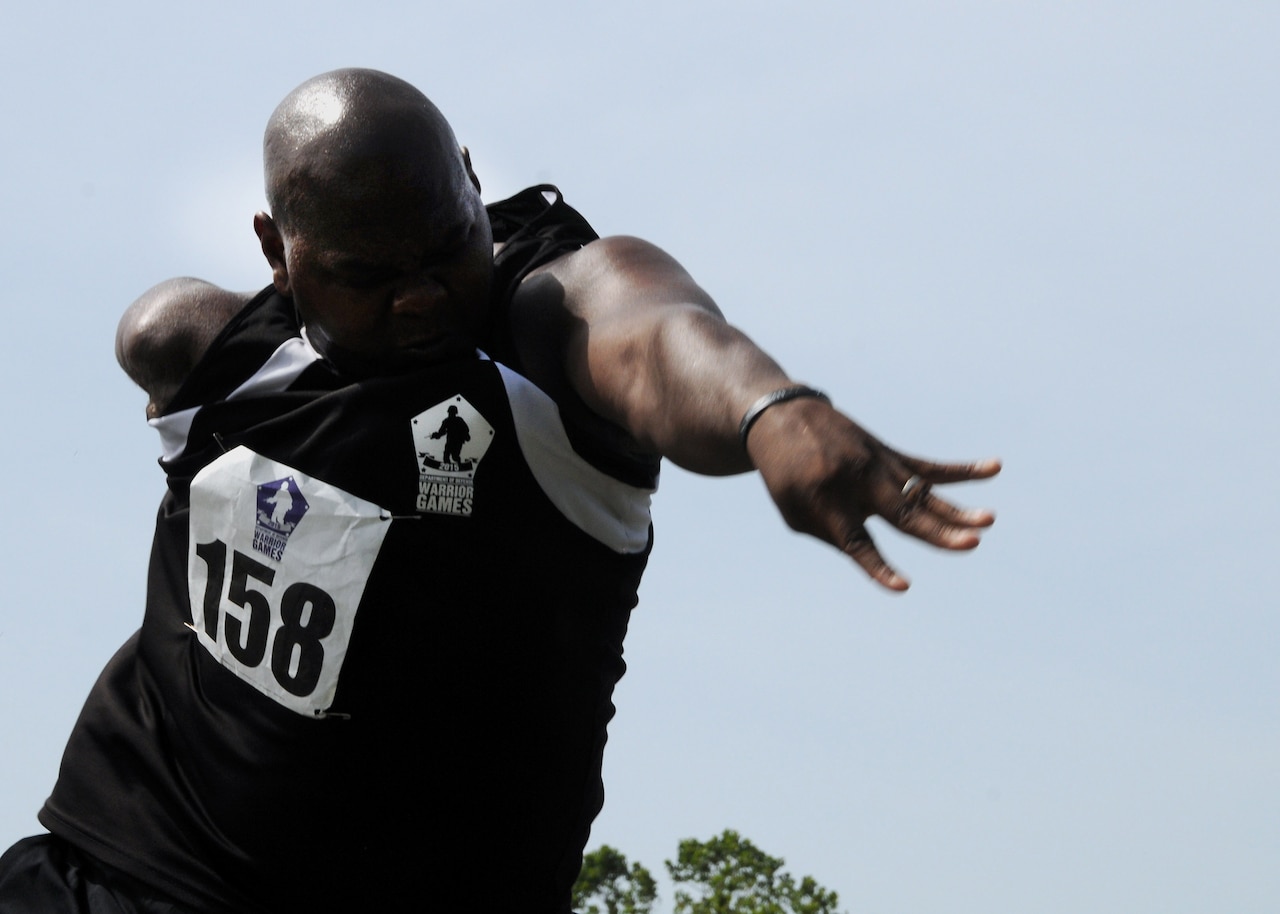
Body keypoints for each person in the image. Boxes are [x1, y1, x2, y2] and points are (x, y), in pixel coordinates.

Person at [0, 69, 999, 913]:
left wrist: (768, 407)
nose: (424, 294)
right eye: (371, 275)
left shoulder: (542, 323)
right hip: (109, 873)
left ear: (473, 182)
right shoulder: (201, 353)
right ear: (278, 253)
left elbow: (653, 342)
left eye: (445, 245)